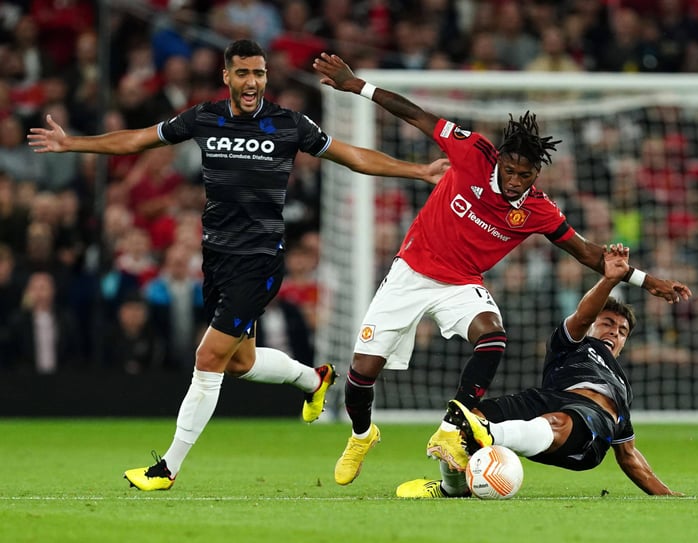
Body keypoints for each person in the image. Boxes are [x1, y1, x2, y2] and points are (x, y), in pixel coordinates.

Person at [28, 39, 447, 491]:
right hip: (217, 260)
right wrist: (72, 143)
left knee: (208, 357)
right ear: (226, 76)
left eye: (259, 74)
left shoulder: (289, 124)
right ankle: (315, 379)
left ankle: (166, 468)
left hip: (259, 261)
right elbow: (137, 139)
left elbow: (351, 156)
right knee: (239, 362)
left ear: (266, 77)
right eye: (243, 73)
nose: (252, 83)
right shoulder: (204, 117)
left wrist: (418, 171)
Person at [312, 52, 693, 486]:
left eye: (524, 175)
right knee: (362, 374)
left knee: (492, 334)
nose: (514, 181)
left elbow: (590, 255)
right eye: (509, 171)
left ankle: (454, 423)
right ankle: (362, 435)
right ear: (498, 161)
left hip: (460, 284)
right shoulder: (472, 150)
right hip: (409, 273)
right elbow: (416, 115)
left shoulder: (539, 209)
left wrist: (647, 280)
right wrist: (357, 85)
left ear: (536, 174)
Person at [395, 245, 684, 498]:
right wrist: (609, 281)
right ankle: (452, 488)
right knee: (464, 421)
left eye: (622, 331)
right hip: (549, 399)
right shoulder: (571, 342)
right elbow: (583, 316)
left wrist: (667, 494)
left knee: (559, 421)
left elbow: (628, 455)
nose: (615, 332)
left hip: (589, 429)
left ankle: (491, 434)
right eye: (607, 323)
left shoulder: (621, 384)